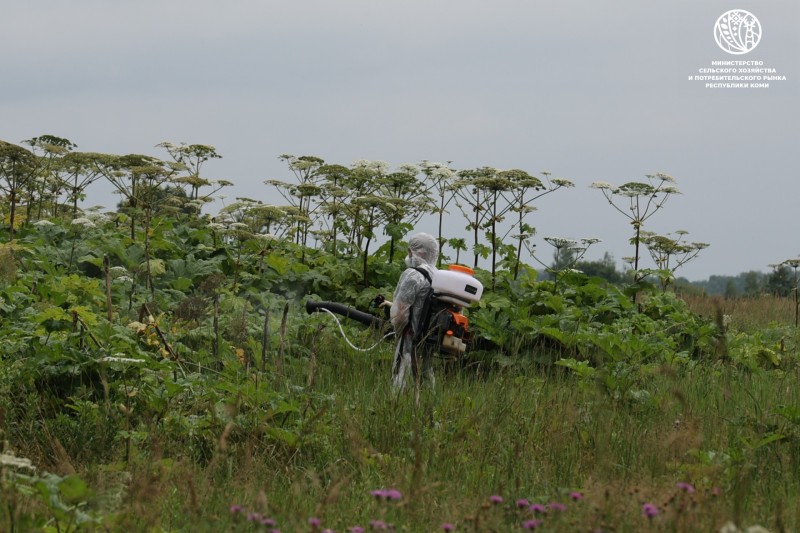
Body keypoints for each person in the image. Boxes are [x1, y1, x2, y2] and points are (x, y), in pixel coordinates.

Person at [385, 232, 439, 391]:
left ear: (419, 252)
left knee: (400, 373)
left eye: (410, 251)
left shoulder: (414, 275)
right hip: (429, 337)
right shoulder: (439, 276)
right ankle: (429, 409)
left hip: (410, 336)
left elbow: (400, 315)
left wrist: (397, 330)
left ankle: (396, 407)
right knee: (427, 373)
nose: (408, 255)